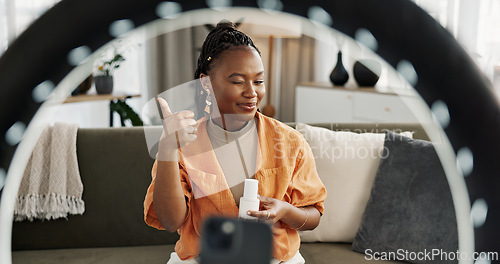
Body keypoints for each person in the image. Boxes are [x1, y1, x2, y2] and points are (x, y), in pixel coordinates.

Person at [144, 21, 326, 264]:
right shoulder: (182, 144)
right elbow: (170, 221)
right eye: (238, 81)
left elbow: (313, 214)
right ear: (206, 84)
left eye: (258, 81)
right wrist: (167, 149)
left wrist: (285, 211)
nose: (252, 92)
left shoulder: (289, 141)